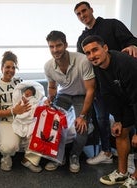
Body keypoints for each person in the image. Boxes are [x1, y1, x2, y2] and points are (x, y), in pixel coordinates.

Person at [74, 1, 137, 167]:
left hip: (124, 82)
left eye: (84, 11)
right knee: (103, 118)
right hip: (102, 86)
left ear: (91, 10)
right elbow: (84, 65)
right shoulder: (82, 39)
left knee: (130, 116)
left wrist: (132, 46)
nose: (82, 15)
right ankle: (107, 151)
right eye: (78, 14)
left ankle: (130, 156)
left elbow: (131, 40)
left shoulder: (111, 25)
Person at [81, 35, 137, 188]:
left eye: (95, 50)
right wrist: (118, 119)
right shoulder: (98, 67)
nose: (92, 55)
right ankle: (122, 173)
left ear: (105, 48)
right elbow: (108, 94)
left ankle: (135, 177)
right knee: (120, 133)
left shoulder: (126, 64)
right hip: (127, 99)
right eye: (88, 53)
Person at [44, 30, 95, 173]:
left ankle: (74, 155)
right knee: (54, 124)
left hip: (81, 96)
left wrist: (83, 116)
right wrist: (50, 99)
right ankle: (58, 157)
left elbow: (91, 90)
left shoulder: (83, 60)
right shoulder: (48, 66)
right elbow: (52, 87)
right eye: (51, 47)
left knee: (82, 128)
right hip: (64, 95)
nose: (55, 50)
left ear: (65, 45)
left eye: (58, 45)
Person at [0, 51, 43, 172]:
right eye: (7, 67)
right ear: (1, 68)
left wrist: (42, 102)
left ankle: (28, 160)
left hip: (25, 118)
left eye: (13, 67)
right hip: (6, 121)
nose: (11, 70)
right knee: (9, 147)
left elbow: (32, 95)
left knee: (40, 133)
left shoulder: (20, 82)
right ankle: (6, 159)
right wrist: (14, 111)